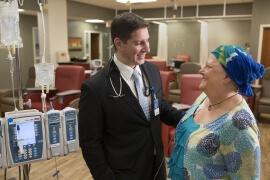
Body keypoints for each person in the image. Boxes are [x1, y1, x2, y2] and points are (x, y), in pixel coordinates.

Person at [79, 12, 184, 180]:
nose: (147, 48)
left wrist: (190, 119)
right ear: (119, 43)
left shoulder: (151, 71)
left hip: (156, 168)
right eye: (139, 43)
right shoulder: (95, 88)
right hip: (123, 173)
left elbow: (159, 106)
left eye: (147, 40)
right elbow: (90, 145)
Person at [168, 45, 264, 180]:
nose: (201, 70)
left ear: (227, 76)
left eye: (208, 66)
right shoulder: (205, 97)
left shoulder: (240, 127)